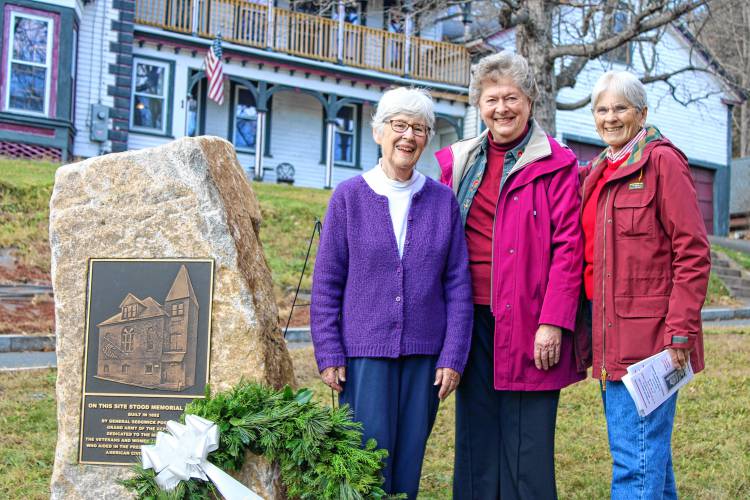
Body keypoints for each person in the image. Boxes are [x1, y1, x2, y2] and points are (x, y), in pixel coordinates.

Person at [435, 51, 589, 499]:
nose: (501, 108)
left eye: (511, 97)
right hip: (472, 320)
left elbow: (568, 249)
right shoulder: (460, 162)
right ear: (478, 106)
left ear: (530, 101)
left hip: (530, 320)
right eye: (491, 99)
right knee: (475, 442)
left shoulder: (556, 163)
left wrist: (553, 322)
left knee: (527, 449)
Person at [310, 87, 473, 499]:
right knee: (366, 462)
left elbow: (457, 286)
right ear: (378, 132)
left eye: (419, 128)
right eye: (399, 125)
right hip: (364, 357)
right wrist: (329, 352)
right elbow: (327, 283)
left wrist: (453, 356)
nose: (409, 136)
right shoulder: (348, 197)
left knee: (408, 465)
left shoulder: (442, 201)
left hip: (425, 359)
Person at [580, 70, 710, 499]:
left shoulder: (661, 162)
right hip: (611, 339)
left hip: (650, 345)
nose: (610, 117)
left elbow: (692, 253)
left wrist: (680, 332)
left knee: (634, 468)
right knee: (648, 461)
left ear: (642, 113)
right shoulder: (599, 171)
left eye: (620, 108)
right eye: (602, 109)